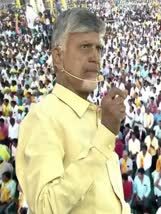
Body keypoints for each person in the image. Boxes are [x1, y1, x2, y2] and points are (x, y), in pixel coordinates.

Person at [15, 9, 130, 214]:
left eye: (99, 48)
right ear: (58, 57)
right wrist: (104, 135)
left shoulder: (95, 116)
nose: (95, 57)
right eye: (85, 47)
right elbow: (46, 207)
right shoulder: (43, 119)